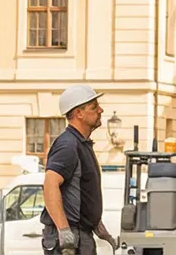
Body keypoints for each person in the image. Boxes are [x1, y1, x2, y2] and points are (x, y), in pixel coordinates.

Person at [42, 85, 113, 255]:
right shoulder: (68, 145)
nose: (100, 110)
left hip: (81, 234)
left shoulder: (80, 144)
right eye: (94, 107)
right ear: (78, 113)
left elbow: (81, 191)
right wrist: (64, 232)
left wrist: (95, 223)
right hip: (71, 237)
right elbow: (50, 184)